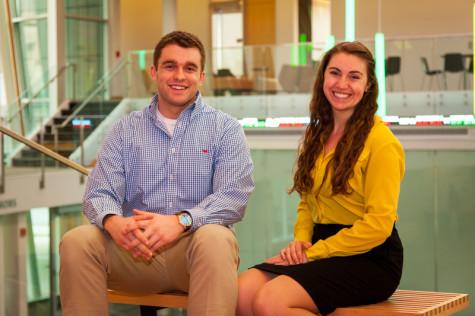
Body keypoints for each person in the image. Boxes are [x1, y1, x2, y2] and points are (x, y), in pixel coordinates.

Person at [59, 31, 254, 316]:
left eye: (189, 68)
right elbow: (99, 193)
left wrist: (181, 222)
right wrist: (115, 224)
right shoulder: (125, 129)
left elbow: (233, 198)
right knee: (76, 242)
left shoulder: (225, 129)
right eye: (170, 66)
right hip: (132, 253)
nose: (179, 75)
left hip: (194, 255)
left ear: (201, 76)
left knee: (216, 238)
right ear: (154, 71)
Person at [237, 41, 405, 316]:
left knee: (271, 301)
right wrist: (301, 241)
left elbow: (378, 226)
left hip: (370, 256)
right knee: (243, 291)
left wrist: (313, 253)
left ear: (369, 85)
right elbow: (307, 201)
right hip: (319, 245)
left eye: (354, 76)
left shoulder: (381, 143)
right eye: (335, 73)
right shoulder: (318, 134)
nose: (342, 83)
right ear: (323, 77)